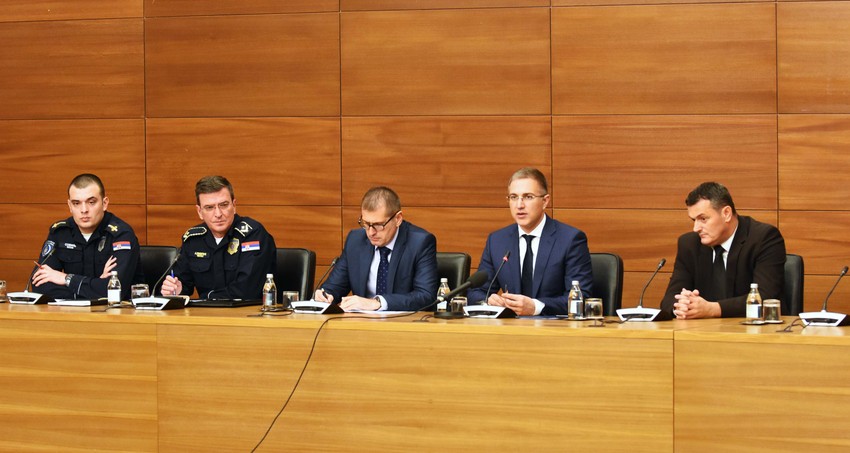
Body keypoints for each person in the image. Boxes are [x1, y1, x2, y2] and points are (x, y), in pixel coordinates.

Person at [467, 168, 593, 316]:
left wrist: (535, 307)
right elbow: (475, 292)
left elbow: (581, 297)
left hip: (554, 327)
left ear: (545, 201)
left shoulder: (570, 239)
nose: (519, 205)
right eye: (514, 197)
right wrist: (488, 300)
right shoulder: (497, 241)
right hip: (510, 327)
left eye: (528, 197)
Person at [660, 182, 786, 320]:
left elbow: (765, 296)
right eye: (693, 220)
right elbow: (669, 299)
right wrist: (681, 306)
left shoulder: (763, 238)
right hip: (702, 330)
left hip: (751, 328)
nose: (696, 228)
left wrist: (712, 309)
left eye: (703, 219)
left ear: (726, 213)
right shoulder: (689, 244)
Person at [314, 186, 438, 311]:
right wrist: (326, 295)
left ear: (398, 219)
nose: (371, 233)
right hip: (360, 321)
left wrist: (378, 303)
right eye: (366, 224)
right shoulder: (355, 241)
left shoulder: (419, 243)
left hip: (403, 321)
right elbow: (335, 286)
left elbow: (426, 296)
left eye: (378, 225)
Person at [161, 176, 276, 300]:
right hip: (205, 311)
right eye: (209, 207)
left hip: (246, 311)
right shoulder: (193, 239)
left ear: (234, 206)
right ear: (199, 211)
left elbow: (247, 291)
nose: (218, 214)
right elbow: (182, 281)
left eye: (223, 205)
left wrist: (207, 298)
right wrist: (177, 289)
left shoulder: (253, 235)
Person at [31, 173, 143, 300]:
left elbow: (114, 292)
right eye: (76, 203)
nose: (84, 210)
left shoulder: (121, 235)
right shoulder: (60, 233)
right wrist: (95, 286)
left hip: (116, 311)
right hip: (71, 311)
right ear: (70, 206)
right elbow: (39, 285)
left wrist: (66, 279)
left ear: (104, 203)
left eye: (91, 202)